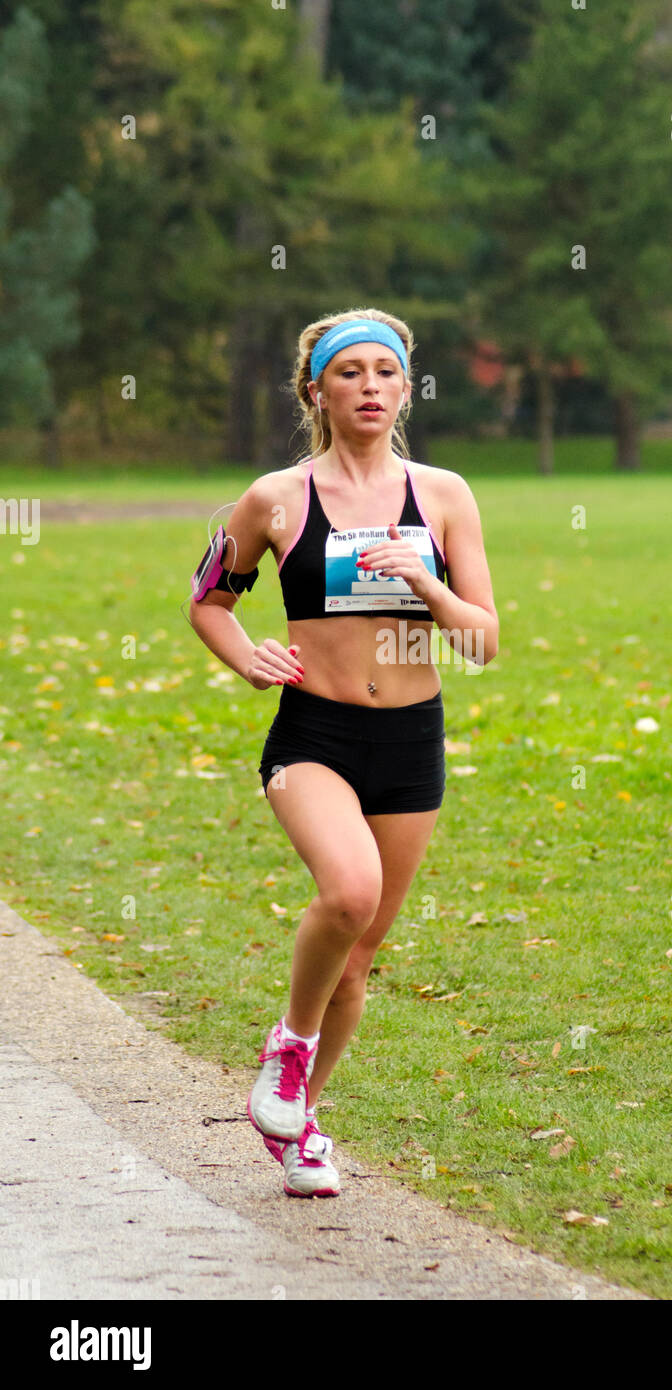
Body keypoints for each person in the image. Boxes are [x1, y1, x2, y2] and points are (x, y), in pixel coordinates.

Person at [189, 308, 498, 1196]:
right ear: (315, 390)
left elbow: (482, 640)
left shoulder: (442, 495)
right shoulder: (276, 498)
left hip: (409, 740)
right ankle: (289, 1045)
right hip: (313, 734)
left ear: (405, 389)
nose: (368, 386)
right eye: (349, 372)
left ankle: (299, 1124)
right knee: (348, 894)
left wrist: (426, 583)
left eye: (384, 372)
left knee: (360, 956)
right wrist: (244, 653)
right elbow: (210, 598)